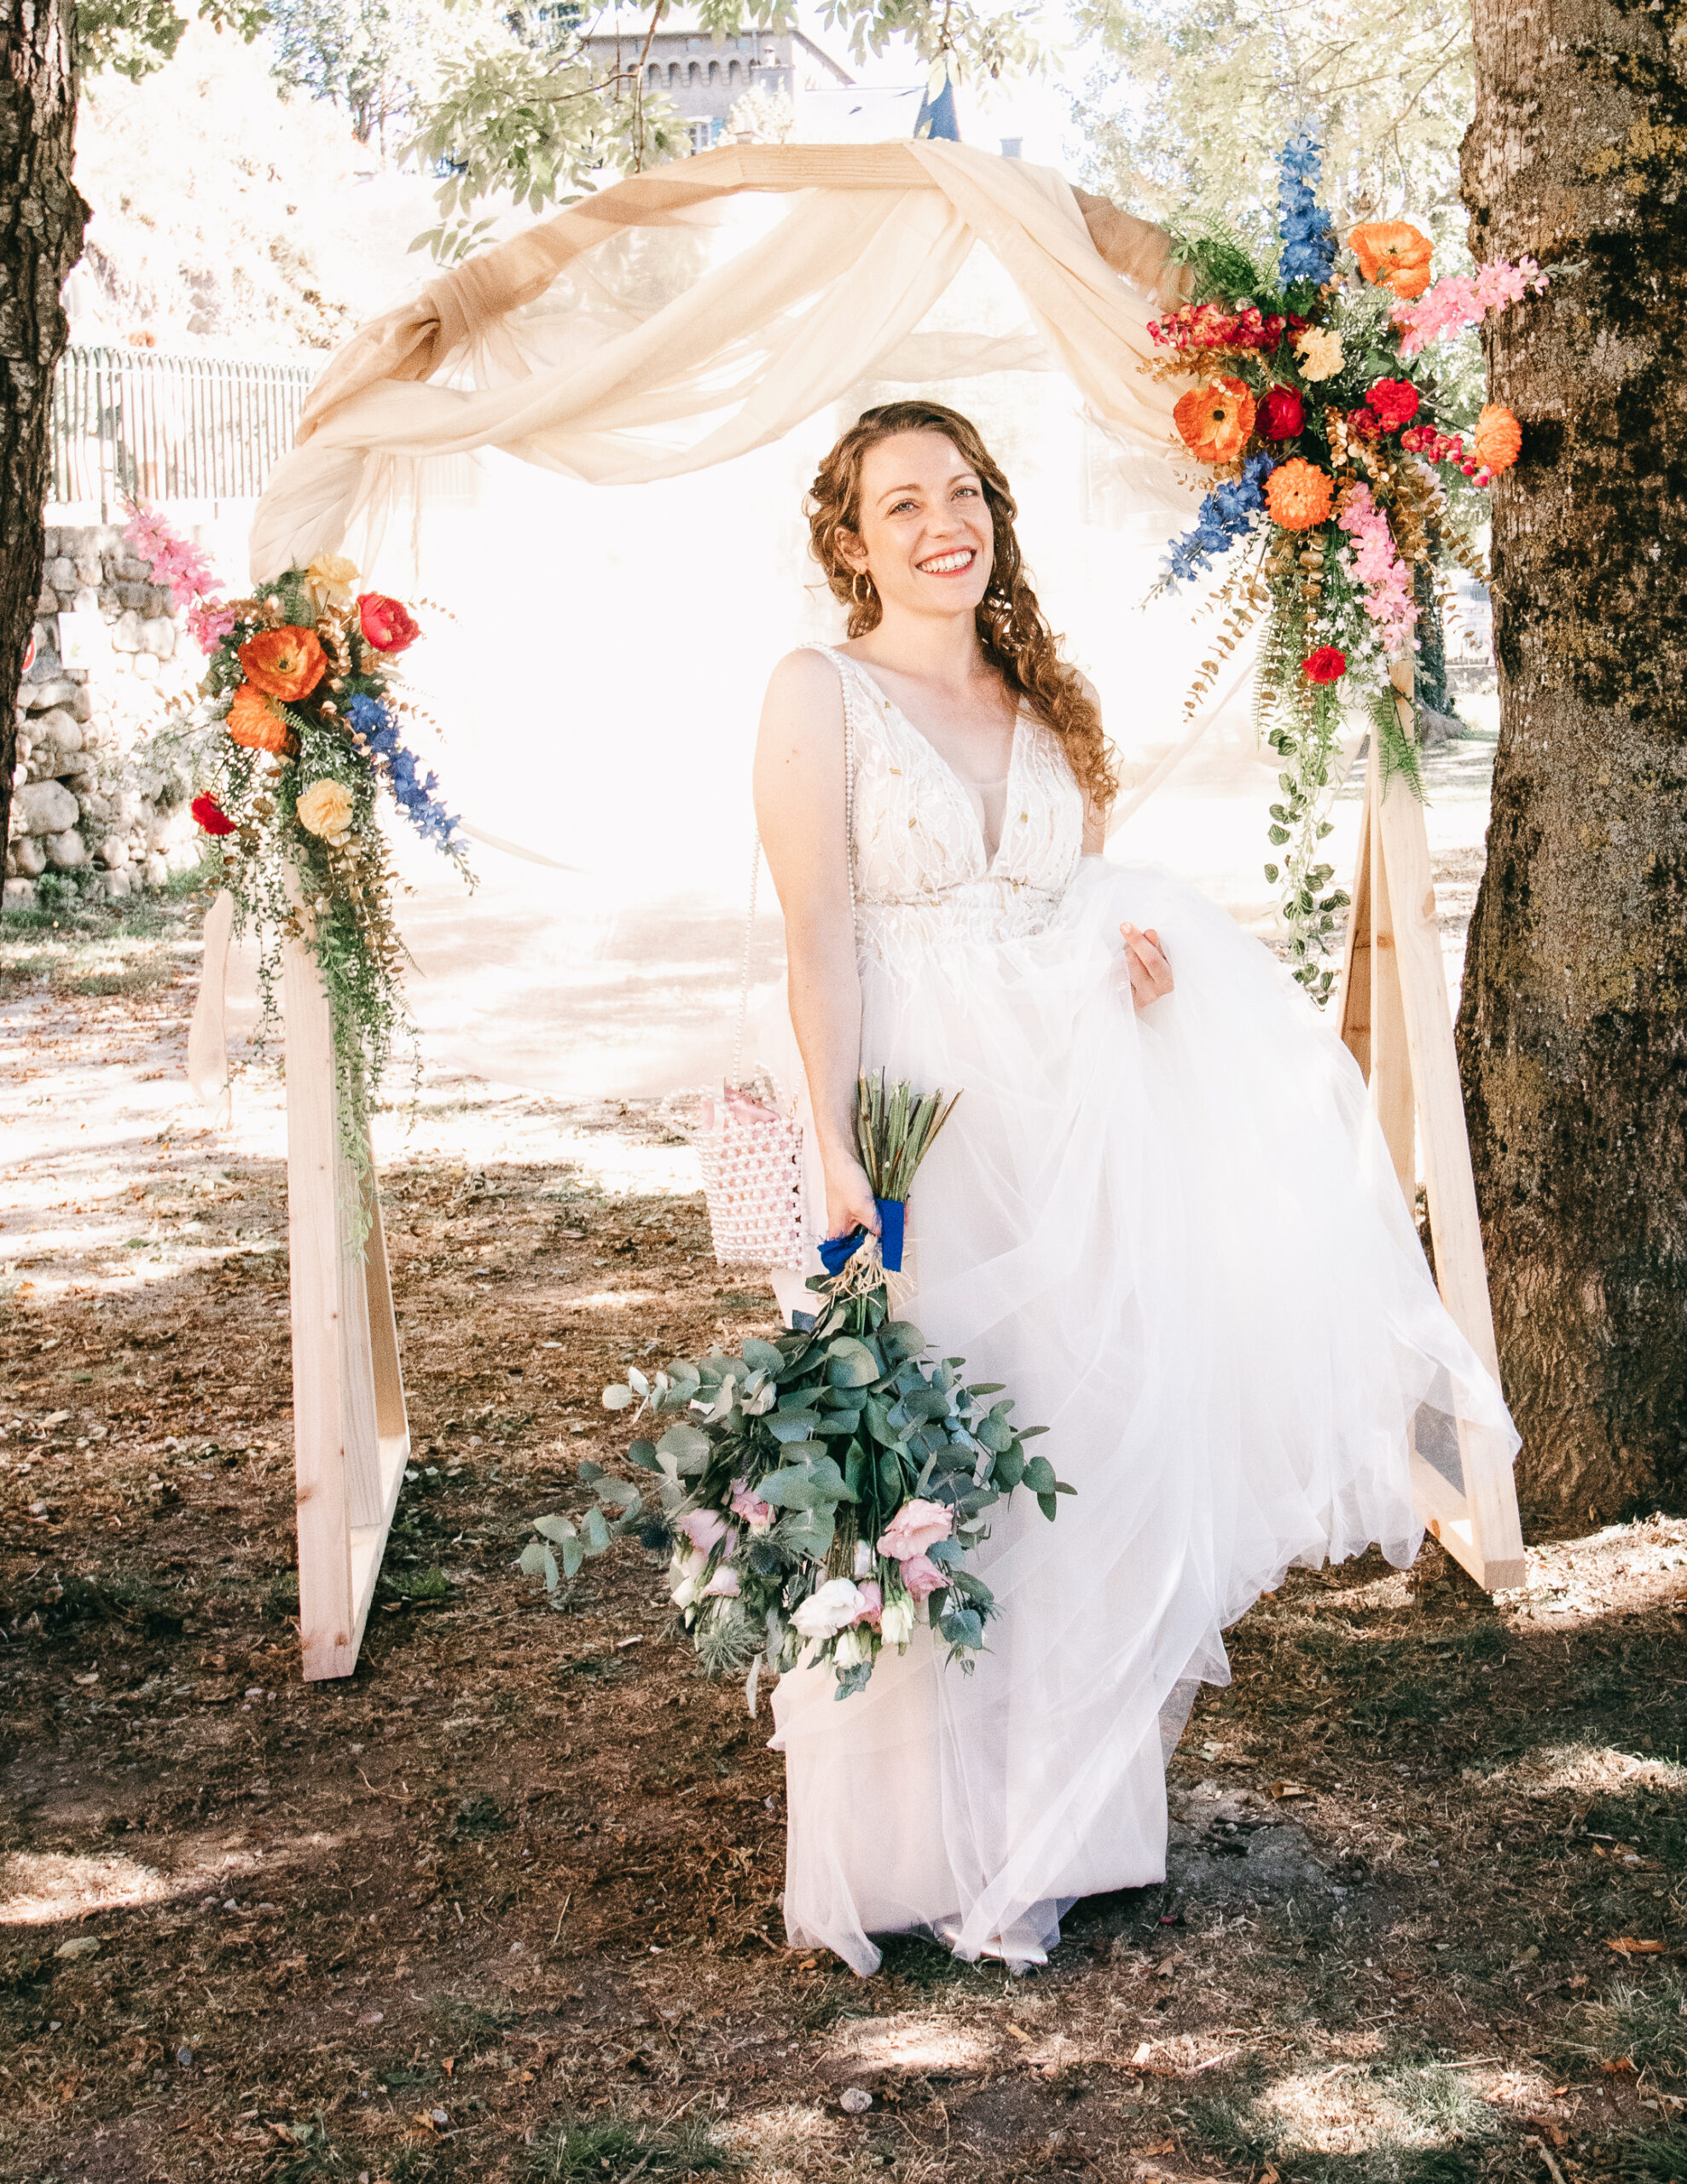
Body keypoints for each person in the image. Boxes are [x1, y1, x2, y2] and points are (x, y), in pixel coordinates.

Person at [751, 399, 1517, 1977]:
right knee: (921, 1456)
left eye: (960, 490)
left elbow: (1068, 893)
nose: (938, 523)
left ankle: (1069, 1819)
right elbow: (817, 934)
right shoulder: (814, 695)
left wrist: (1131, 950)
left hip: (1071, 1120)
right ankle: (905, 1849)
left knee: (1076, 1436)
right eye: (899, 505)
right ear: (849, 542)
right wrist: (832, 1145)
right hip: (912, 1125)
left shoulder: (1040, 693)